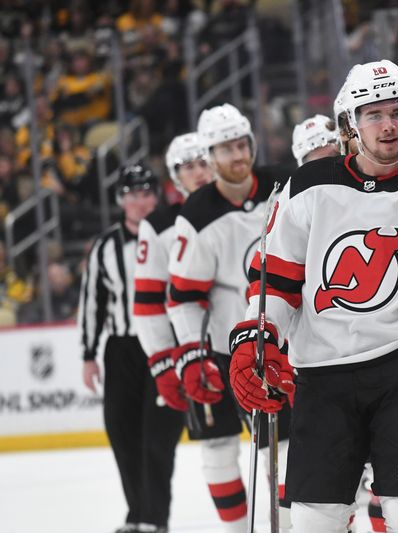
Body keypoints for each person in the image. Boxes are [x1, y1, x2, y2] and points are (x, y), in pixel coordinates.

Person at [228, 59, 398, 532]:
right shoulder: (307, 186)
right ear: (351, 124)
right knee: (316, 520)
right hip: (322, 371)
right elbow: (275, 279)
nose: (388, 125)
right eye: (374, 114)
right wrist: (258, 336)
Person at [166, 104, 288, 532]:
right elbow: (181, 297)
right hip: (231, 353)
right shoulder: (197, 214)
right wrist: (191, 354)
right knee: (249, 454)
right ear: (209, 157)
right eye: (226, 149)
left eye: (242, 145)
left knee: (295, 457)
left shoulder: (284, 185)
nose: (238, 156)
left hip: (291, 344)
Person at [78, 164, 184, 533]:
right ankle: (137, 514)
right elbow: (93, 301)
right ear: (121, 199)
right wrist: (88, 355)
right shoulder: (105, 246)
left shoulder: (174, 235)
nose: (139, 201)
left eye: (145, 192)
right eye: (131, 194)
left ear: (157, 195)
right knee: (121, 432)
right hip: (121, 348)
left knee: (158, 437)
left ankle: (155, 519)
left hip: (164, 344)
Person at [131, 133, 222, 528]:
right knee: (216, 448)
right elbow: (148, 304)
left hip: (251, 343)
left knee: (277, 446)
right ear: (175, 176)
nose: (198, 173)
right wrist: (162, 362)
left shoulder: (245, 206)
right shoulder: (158, 225)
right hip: (194, 352)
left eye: (203, 163)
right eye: (188, 167)